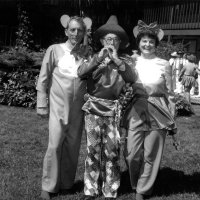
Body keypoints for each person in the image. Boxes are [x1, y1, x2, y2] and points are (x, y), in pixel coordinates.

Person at [78, 15, 137, 200]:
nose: (111, 42)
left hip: (113, 113)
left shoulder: (125, 62)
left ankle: (110, 189)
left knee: (112, 152)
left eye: (115, 39)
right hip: (93, 111)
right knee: (92, 150)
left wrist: (117, 60)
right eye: (108, 39)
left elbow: (132, 77)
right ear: (102, 41)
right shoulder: (93, 57)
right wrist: (99, 58)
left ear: (120, 43)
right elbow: (81, 72)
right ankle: (90, 189)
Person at [121, 20, 177, 200]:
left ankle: (143, 190)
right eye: (144, 41)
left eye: (151, 42)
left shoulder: (164, 64)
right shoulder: (132, 62)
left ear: (156, 44)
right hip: (136, 110)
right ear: (139, 43)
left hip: (158, 111)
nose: (147, 44)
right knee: (132, 154)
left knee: (151, 153)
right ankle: (136, 182)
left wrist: (172, 113)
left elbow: (170, 91)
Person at [36, 16, 91, 200]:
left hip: (79, 107)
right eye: (72, 30)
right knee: (54, 143)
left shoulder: (87, 52)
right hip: (58, 105)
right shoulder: (54, 50)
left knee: (73, 144)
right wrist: (41, 103)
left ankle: (67, 183)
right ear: (66, 31)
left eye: (79, 30)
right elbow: (43, 78)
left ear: (84, 32)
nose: (76, 33)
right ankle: (48, 185)